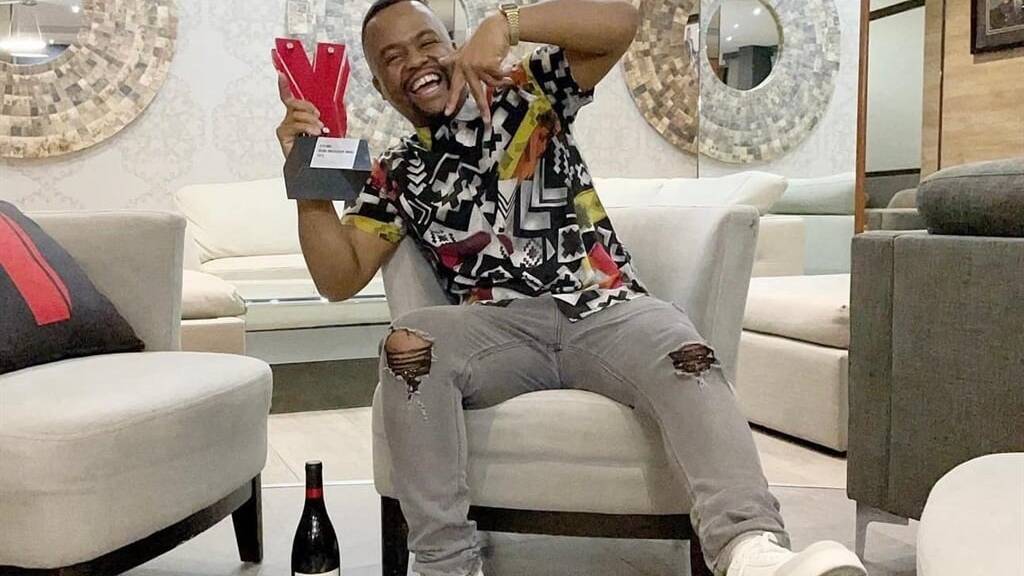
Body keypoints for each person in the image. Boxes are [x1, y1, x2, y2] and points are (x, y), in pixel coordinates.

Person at [275, 1, 869, 575]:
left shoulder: (526, 94)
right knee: (408, 345)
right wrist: (304, 172)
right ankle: (445, 565)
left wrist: (506, 24)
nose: (415, 61)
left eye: (427, 42)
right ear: (380, 87)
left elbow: (620, 21)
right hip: (496, 332)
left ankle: (752, 549)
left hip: (602, 305)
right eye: (393, 57)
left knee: (682, 345)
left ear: (453, 47)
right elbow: (338, 278)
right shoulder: (395, 173)